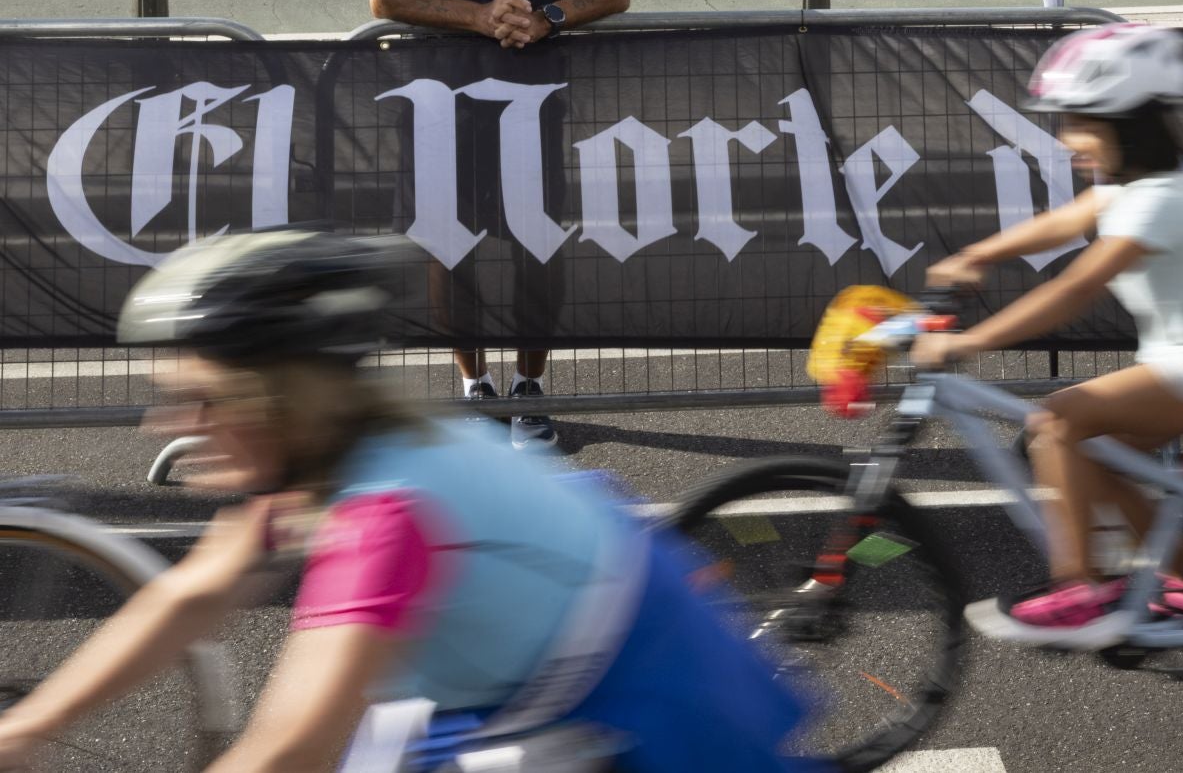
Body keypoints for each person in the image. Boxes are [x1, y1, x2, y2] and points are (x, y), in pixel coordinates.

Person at [0, 230, 808, 772]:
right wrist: (26, 726)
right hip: (551, 665)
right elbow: (187, 596)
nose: (166, 425)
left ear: (279, 400)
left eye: (199, 400)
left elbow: (289, 751)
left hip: (646, 701)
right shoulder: (323, 457)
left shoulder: (382, 514)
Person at [910, 26, 1183, 642]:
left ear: (1128, 125)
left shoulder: (1161, 199)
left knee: (1058, 422)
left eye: (1080, 125)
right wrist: (975, 255)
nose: (1068, 142)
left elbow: (1075, 289)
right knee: (1096, 454)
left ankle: (1082, 589)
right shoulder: (1136, 187)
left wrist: (965, 344)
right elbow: (1066, 220)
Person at [363, 0, 632, 449]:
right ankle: (474, 385)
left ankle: (531, 384)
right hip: (439, 102)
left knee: (538, 242)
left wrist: (547, 15)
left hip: (531, 100)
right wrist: (481, 18)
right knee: (447, 246)